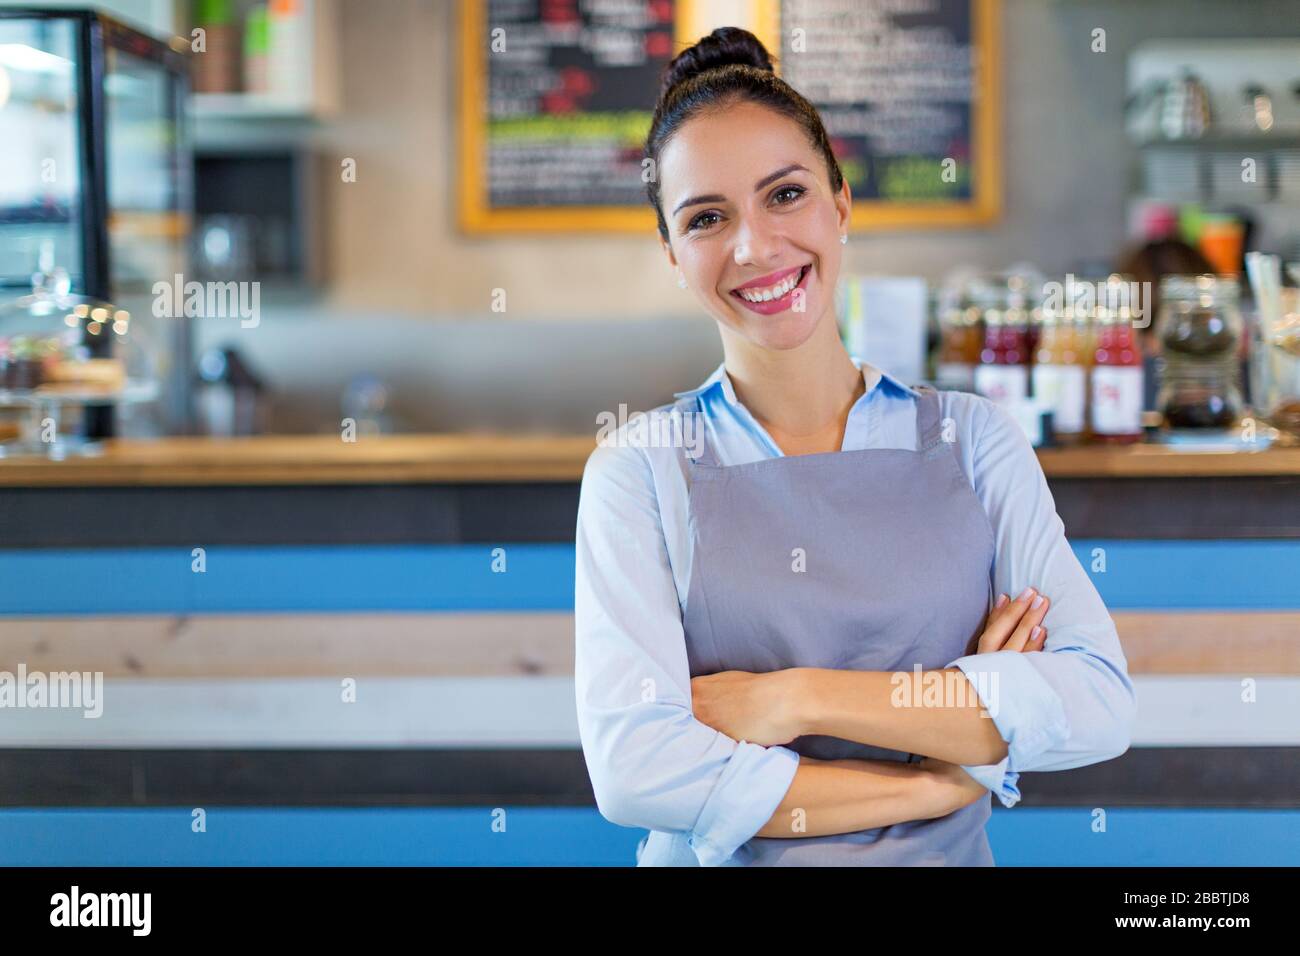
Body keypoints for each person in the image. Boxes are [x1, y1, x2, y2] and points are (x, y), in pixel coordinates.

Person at [573, 27, 1135, 866]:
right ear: (672, 254)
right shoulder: (640, 469)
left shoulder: (973, 441)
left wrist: (795, 699)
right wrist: (944, 773)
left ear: (841, 204)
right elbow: (636, 772)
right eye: (706, 217)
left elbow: (1095, 703)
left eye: (785, 195)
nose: (754, 246)